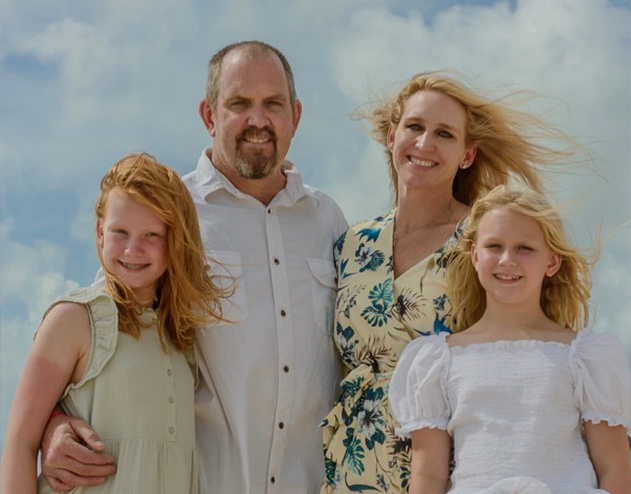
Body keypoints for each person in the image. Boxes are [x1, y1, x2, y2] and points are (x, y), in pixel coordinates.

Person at [38, 41, 348, 494]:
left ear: (295, 116)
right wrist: (51, 422)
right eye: (239, 103)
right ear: (209, 116)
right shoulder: (169, 213)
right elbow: (101, 326)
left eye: (273, 104)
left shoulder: (330, 219)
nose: (257, 120)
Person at [321, 72, 585, 493]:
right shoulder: (353, 242)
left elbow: (525, 343)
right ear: (392, 138)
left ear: (466, 155)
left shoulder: (483, 241)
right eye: (415, 127)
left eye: (444, 134)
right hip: (352, 463)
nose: (425, 144)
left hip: (454, 467)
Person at [1, 153, 224, 493]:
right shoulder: (73, 319)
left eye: (152, 234)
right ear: (99, 232)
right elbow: (20, 442)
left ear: (175, 241)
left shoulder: (180, 337)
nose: (133, 249)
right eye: (120, 231)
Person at [389, 185, 631, 494]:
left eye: (524, 248)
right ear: (475, 256)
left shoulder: (583, 355)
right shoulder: (439, 359)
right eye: (494, 246)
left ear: (552, 262)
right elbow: (429, 477)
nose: (507, 260)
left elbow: (614, 466)